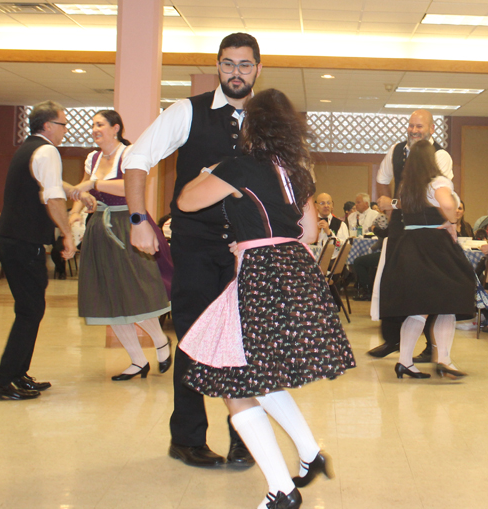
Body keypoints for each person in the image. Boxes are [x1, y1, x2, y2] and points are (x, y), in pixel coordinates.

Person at [178, 89, 355, 509]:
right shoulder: (297, 172)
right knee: (259, 374)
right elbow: (309, 233)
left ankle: (281, 489)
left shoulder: (237, 167)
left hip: (260, 276)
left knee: (233, 380)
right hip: (296, 272)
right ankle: (309, 455)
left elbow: (186, 201)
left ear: (251, 126)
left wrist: (214, 173)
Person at [123, 33, 261, 467]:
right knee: (193, 341)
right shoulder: (188, 111)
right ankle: (186, 437)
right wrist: (138, 219)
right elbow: (137, 159)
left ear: (258, 68)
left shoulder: (266, 118)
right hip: (197, 245)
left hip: (247, 250)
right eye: (228, 63)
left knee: (244, 345)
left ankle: (245, 435)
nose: (235, 72)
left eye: (244, 64)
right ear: (218, 66)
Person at [0, 100, 86, 400]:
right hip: (22, 240)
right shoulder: (47, 150)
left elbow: (51, 183)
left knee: (31, 309)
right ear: (47, 126)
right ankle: (3, 381)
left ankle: (18, 374)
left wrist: (74, 191)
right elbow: (53, 199)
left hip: (14, 238)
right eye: (63, 125)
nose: (65, 130)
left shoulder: (31, 148)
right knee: (30, 311)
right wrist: (67, 235)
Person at [68, 110, 173, 380]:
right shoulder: (92, 158)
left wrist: (94, 183)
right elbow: (84, 191)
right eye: (93, 125)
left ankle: (161, 341)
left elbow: (130, 188)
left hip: (128, 225)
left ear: (116, 128)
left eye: (100, 124)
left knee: (134, 292)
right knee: (109, 297)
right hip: (99, 228)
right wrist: (75, 211)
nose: (95, 129)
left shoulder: (129, 153)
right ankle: (137, 360)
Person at [380, 140, 474, 379]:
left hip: (410, 246)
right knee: (449, 300)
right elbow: (446, 202)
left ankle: (404, 362)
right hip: (434, 247)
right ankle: (443, 359)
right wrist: (452, 222)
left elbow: (400, 209)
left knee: (418, 307)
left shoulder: (407, 187)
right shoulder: (438, 182)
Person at [370, 109, 453, 360]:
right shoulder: (396, 150)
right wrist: (391, 208)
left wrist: (394, 203)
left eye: (420, 126)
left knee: (427, 288)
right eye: (411, 125)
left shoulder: (440, 156)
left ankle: (431, 347)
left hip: (427, 230)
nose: (414, 130)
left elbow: (432, 198)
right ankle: (392, 340)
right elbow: (382, 180)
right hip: (400, 228)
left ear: (431, 129)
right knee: (393, 281)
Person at [315, 192, 348, 259]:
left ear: (332, 205)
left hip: (332, 261)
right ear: (316, 206)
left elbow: (345, 247)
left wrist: (329, 233)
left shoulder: (341, 225)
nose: (326, 206)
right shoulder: (310, 223)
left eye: (328, 203)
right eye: (322, 203)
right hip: (312, 260)